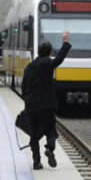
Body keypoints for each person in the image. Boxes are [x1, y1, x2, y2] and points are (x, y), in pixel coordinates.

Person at [21, 30, 72, 170]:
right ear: (49, 53)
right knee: (51, 131)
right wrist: (66, 42)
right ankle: (49, 147)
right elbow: (59, 59)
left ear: (38, 52)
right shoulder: (48, 64)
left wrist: (27, 100)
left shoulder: (29, 67)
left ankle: (37, 162)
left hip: (31, 106)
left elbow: (23, 86)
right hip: (46, 105)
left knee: (34, 135)